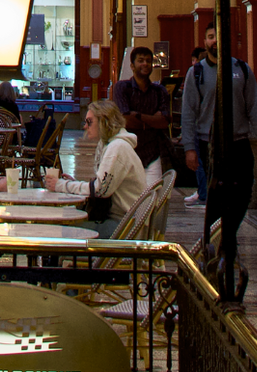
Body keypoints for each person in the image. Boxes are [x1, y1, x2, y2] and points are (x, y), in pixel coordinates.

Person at [180, 24, 257, 215]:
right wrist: (189, 149)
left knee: (243, 193)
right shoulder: (195, 73)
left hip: (239, 143)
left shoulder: (242, 69)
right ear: (205, 42)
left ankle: (229, 235)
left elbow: (254, 106)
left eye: (219, 36)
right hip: (209, 144)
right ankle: (218, 239)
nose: (215, 40)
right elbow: (188, 113)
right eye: (211, 36)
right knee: (216, 196)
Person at [47, 100, 150, 238]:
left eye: (89, 122)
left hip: (126, 229)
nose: (85, 127)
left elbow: (99, 190)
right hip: (126, 222)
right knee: (63, 223)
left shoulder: (117, 147)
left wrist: (62, 185)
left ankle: (56, 258)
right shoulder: (110, 144)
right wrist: (74, 183)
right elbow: (101, 186)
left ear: (104, 121)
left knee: (59, 229)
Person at [111, 45, 174, 167]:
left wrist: (138, 115)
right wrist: (152, 121)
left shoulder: (160, 91)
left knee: (154, 186)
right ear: (132, 66)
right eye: (140, 61)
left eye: (148, 61)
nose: (145, 64)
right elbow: (125, 120)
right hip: (127, 151)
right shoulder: (122, 88)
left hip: (154, 153)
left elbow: (164, 122)